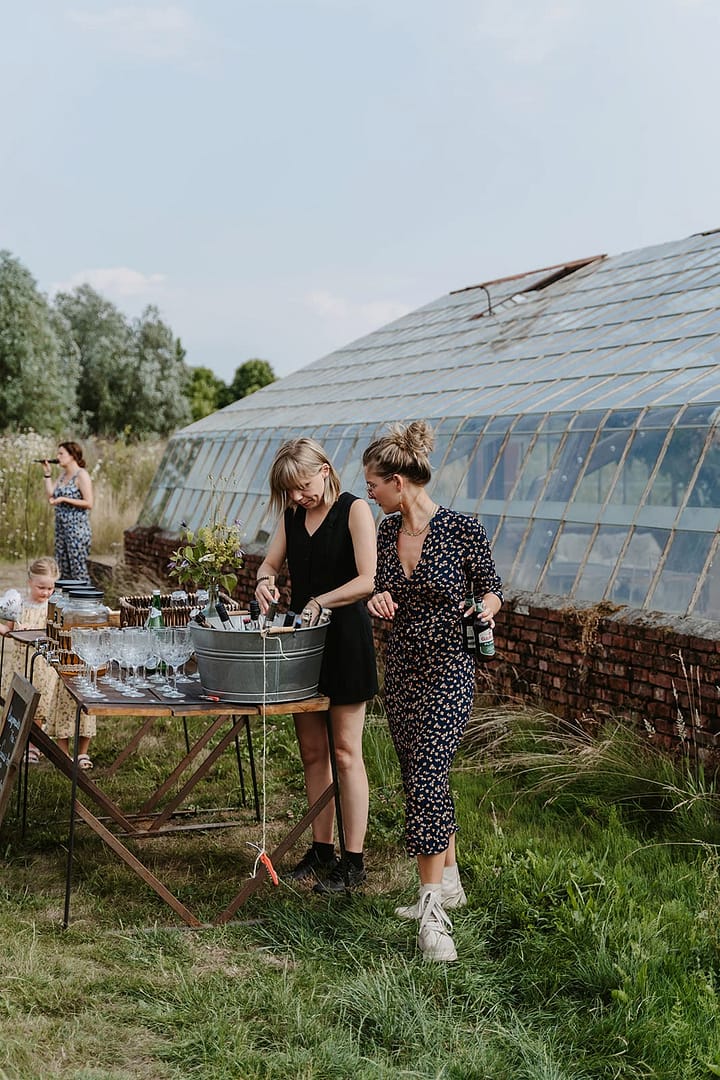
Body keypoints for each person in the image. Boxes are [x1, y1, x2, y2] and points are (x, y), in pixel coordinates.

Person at [363, 420, 503, 962]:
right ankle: (451, 881)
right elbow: (381, 589)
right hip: (401, 666)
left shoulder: (463, 529)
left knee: (427, 774)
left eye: (373, 484)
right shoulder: (384, 532)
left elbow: (493, 592)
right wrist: (378, 601)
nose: (369, 493)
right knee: (421, 773)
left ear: (398, 481)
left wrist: (482, 610)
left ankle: (432, 918)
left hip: (451, 664)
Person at [255, 438, 378, 893]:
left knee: (346, 754)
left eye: (303, 486)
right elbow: (269, 564)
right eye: (290, 491)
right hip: (303, 650)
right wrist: (265, 583)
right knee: (312, 753)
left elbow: (368, 579)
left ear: (324, 471)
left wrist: (320, 601)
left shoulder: (355, 510)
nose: (297, 497)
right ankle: (321, 849)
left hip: (345, 642)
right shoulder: (291, 517)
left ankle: (353, 862)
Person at [0, 557, 96, 769]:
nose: (45, 592)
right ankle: (24, 746)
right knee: (20, 705)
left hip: (44, 667)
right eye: (40, 587)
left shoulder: (53, 609)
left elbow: (57, 634)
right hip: (20, 663)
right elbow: (8, 629)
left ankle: (36, 745)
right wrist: (9, 629)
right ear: (29, 582)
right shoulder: (19, 606)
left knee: (41, 707)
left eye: (50, 588)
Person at [40, 441, 93, 583]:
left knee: (78, 569)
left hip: (77, 530)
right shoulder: (63, 476)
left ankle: (84, 602)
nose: (58, 456)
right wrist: (47, 474)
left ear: (72, 456)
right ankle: (67, 603)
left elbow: (89, 503)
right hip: (61, 529)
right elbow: (51, 494)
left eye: (61, 453)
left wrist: (64, 499)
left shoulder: (81, 475)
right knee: (62, 569)